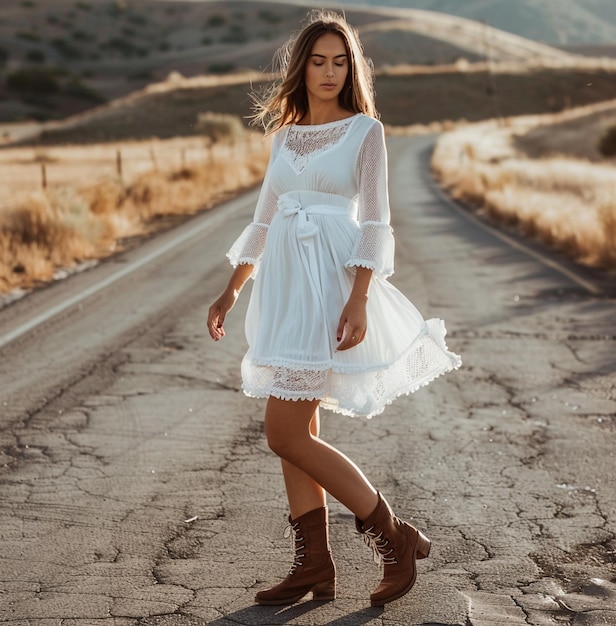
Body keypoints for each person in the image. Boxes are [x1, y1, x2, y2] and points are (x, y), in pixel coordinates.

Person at [207, 10, 461, 607]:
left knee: (284, 431)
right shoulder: (285, 137)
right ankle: (315, 565)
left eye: (339, 61)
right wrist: (232, 287)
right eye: (318, 61)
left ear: (352, 69)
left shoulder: (364, 132)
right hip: (285, 289)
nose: (328, 71)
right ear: (302, 67)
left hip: (331, 284)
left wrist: (359, 298)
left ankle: (392, 537)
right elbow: (264, 220)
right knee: (299, 429)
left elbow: (375, 220)